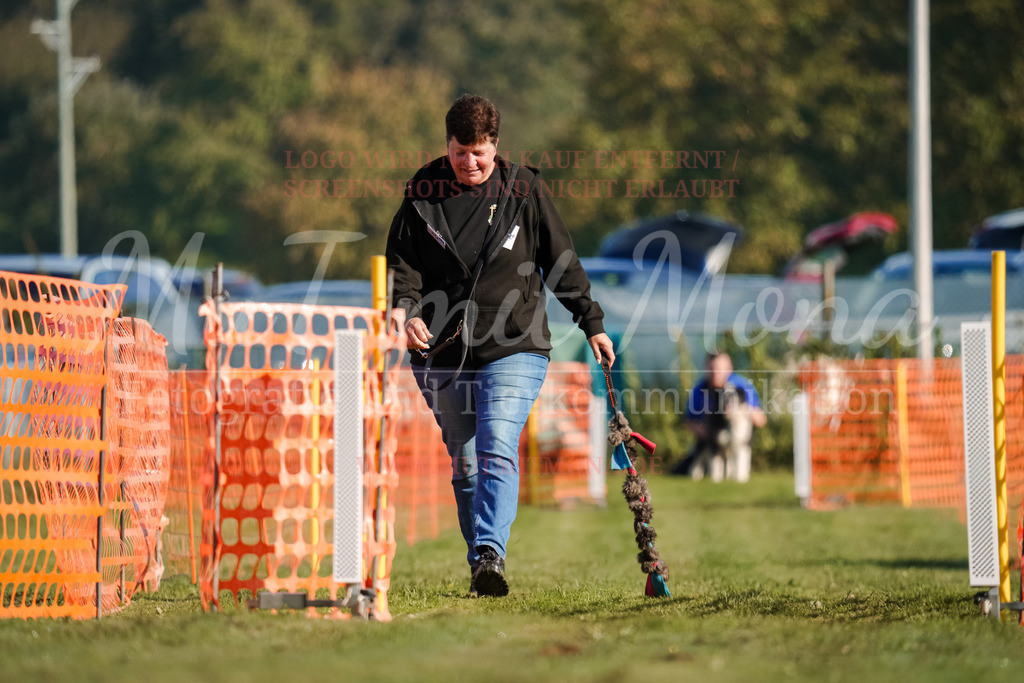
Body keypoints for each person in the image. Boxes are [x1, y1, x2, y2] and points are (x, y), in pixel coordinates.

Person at [385, 94, 615, 597]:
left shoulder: (524, 190)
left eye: (479, 152)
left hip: (515, 342)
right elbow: (402, 265)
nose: (469, 162)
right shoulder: (422, 191)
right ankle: (481, 564)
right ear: (447, 145)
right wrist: (402, 313)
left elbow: (561, 260)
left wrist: (591, 322)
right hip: (441, 348)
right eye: (460, 151)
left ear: (496, 146)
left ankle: (491, 551)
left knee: (496, 447)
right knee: (464, 459)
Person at [678, 350, 766, 483]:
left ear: (729, 368)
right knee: (680, 470)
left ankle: (739, 476)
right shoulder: (699, 389)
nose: (715, 373)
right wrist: (702, 429)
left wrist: (742, 413)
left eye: (719, 368)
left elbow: (760, 419)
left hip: (737, 438)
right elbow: (687, 421)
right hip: (710, 442)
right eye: (712, 368)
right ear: (706, 368)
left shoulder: (741, 387)